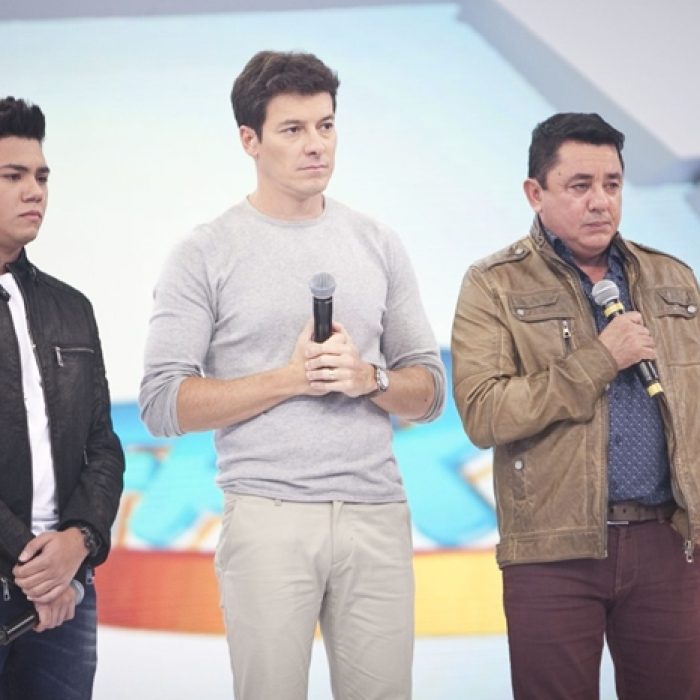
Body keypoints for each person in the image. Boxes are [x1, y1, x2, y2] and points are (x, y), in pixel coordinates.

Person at [139, 50, 444, 699]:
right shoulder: (204, 252)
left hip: (375, 513)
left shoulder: (377, 242)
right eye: (293, 129)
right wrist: (288, 378)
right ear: (249, 140)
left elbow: (430, 391)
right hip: (267, 514)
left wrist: (368, 379)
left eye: (326, 125)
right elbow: (163, 403)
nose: (316, 145)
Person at [451, 112, 700, 700]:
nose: (600, 202)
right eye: (580, 185)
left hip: (668, 541)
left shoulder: (673, 278)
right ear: (535, 193)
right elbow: (484, 412)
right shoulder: (494, 284)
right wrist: (599, 359)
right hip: (552, 548)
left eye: (612, 184)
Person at [0, 97, 124, 699]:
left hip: (68, 590)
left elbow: (103, 445)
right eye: (13, 176)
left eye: (42, 177)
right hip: (33, 574)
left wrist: (79, 543)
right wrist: (31, 562)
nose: (35, 192)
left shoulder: (71, 307)